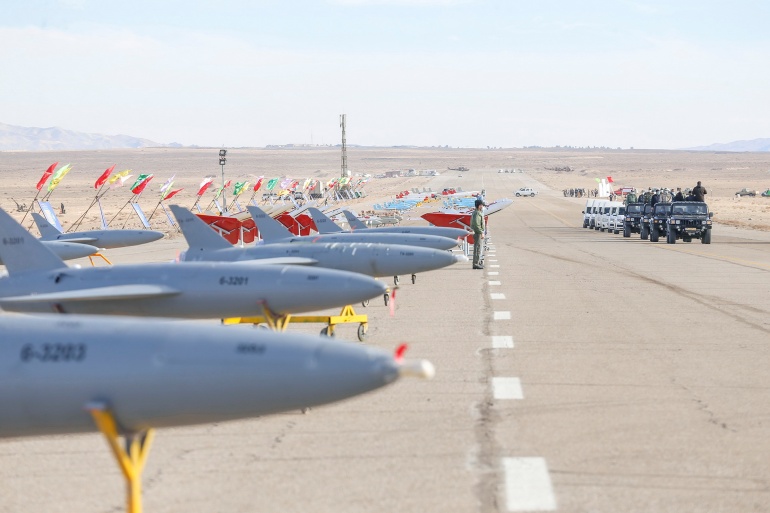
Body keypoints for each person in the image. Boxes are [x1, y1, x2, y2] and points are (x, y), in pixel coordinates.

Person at [471, 199, 485, 270]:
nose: (482, 206)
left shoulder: (477, 212)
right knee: (478, 249)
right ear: (478, 205)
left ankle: (478, 262)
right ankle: (476, 264)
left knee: (479, 248)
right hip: (478, 233)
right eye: (481, 205)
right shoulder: (477, 213)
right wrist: (481, 232)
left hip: (478, 232)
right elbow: (477, 224)